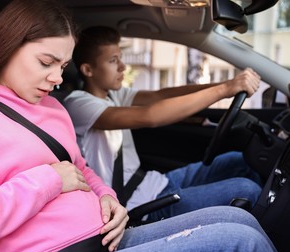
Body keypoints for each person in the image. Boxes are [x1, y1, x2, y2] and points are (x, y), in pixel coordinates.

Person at [0, 1, 280, 252]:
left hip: (104, 237)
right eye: (46, 62)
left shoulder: (51, 106)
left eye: (62, 65)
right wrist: (48, 181)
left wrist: (107, 197)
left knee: (236, 217)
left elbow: (80, 168)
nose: (57, 78)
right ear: (7, 46)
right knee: (239, 242)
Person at [64, 26, 263, 220]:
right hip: (137, 203)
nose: (122, 67)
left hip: (154, 183)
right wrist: (226, 89)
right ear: (88, 70)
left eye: (121, 58)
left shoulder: (114, 95)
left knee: (240, 160)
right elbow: (149, 116)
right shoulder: (78, 104)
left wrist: (225, 85)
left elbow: (160, 96)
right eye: (113, 60)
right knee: (247, 190)